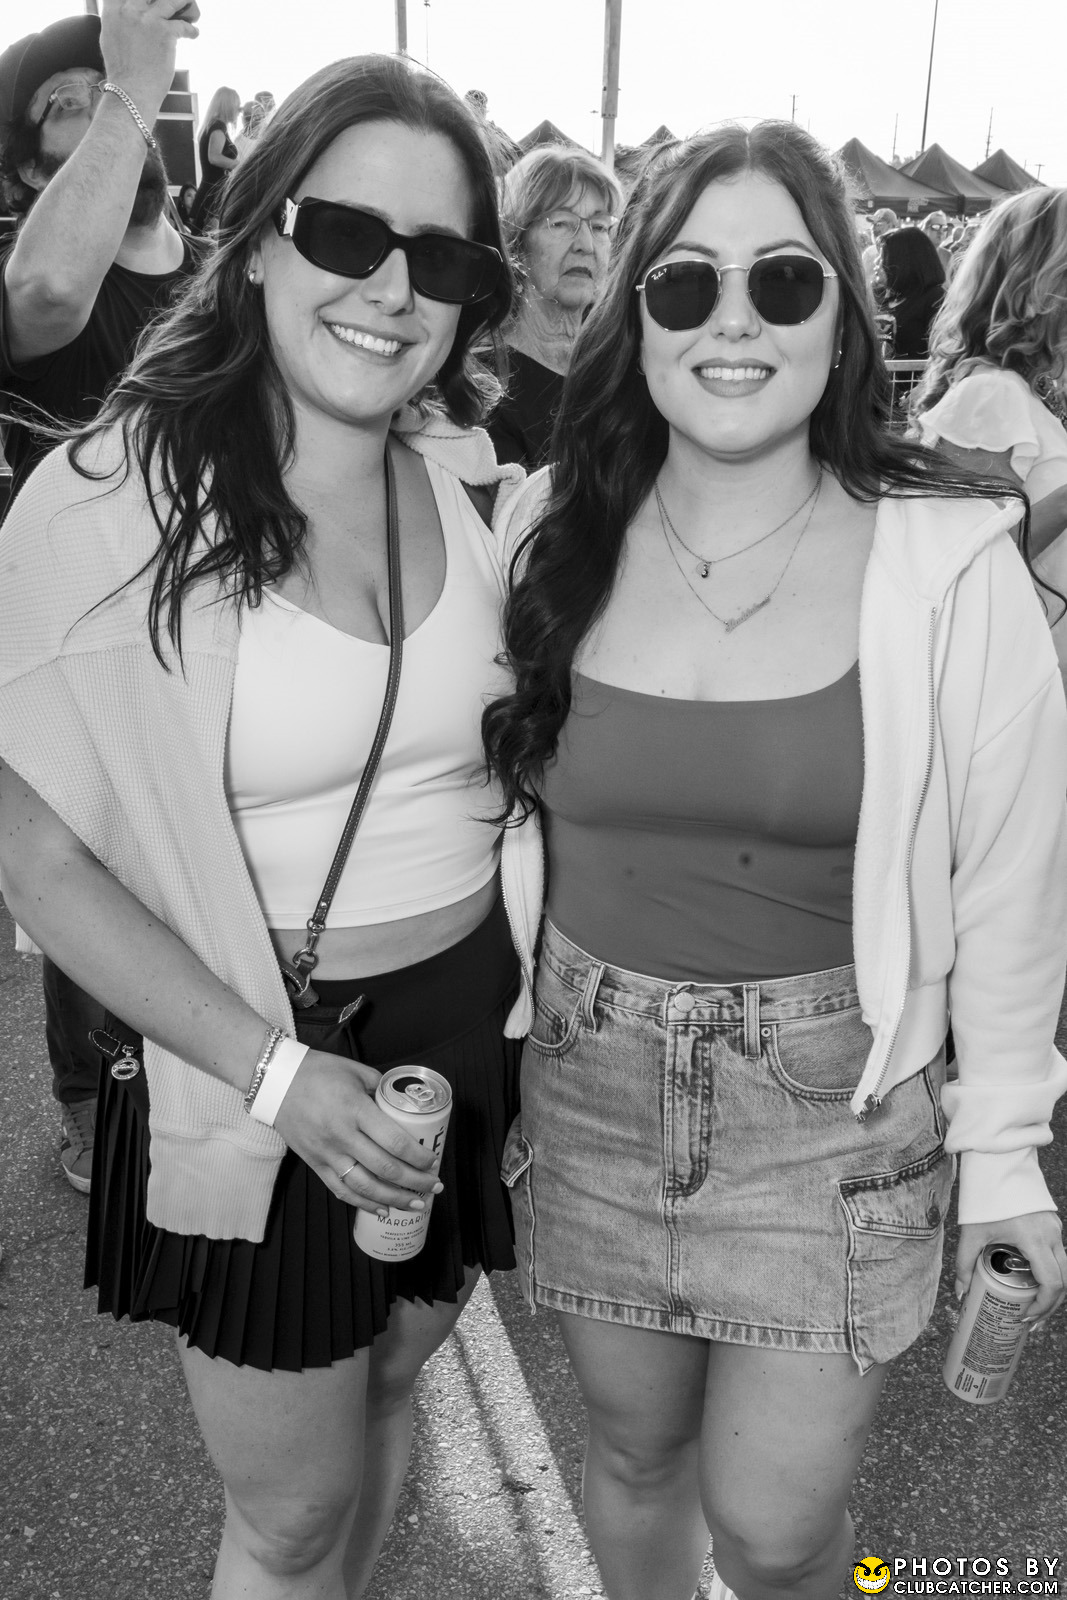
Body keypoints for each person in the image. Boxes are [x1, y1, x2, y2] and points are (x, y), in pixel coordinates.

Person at [483, 121, 1067, 1600]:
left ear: (842, 316)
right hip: (588, 1079)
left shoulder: (945, 561)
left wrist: (1003, 1154)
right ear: (634, 318)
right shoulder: (546, 529)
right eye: (684, 284)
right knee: (630, 1461)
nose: (731, 320)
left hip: (833, 1108)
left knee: (774, 1528)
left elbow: (1009, 885)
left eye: (781, 280)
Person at [0, 53, 546, 1600]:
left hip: (460, 1044)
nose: (391, 290)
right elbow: (36, 854)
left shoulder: (459, 482)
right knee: (289, 1517)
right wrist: (275, 1072)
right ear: (252, 240)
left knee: (391, 1396)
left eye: (440, 258)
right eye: (346, 233)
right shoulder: (111, 500)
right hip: (252, 1049)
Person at [0, 2, 204, 1195]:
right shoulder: (42, 275)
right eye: (63, 111)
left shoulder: (225, 270)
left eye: (112, 91)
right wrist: (130, 77)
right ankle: (92, 1100)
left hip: (214, 629)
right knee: (84, 868)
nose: (100, 113)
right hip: (78, 641)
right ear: (31, 172)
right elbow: (46, 294)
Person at [912, 187, 1067, 681]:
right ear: (1041, 287)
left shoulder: (1015, 391)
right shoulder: (991, 395)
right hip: (1018, 678)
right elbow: (966, 561)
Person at [487, 144, 620, 469]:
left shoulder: (621, 364)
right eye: (561, 224)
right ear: (517, 240)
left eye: (599, 226)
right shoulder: (488, 385)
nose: (586, 245)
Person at [878, 224, 945, 359]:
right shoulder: (890, 296)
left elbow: (942, 351)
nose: (877, 263)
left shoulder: (935, 298)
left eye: (883, 258)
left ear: (902, 262)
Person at [189, 82, 239, 232]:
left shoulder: (212, 126)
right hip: (213, 194)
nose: (238, 111)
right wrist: (238, 164)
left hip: (210, 192)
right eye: (236, 106)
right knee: (211, 241)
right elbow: (214, 157)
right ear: (228, 106)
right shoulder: (218, 127)